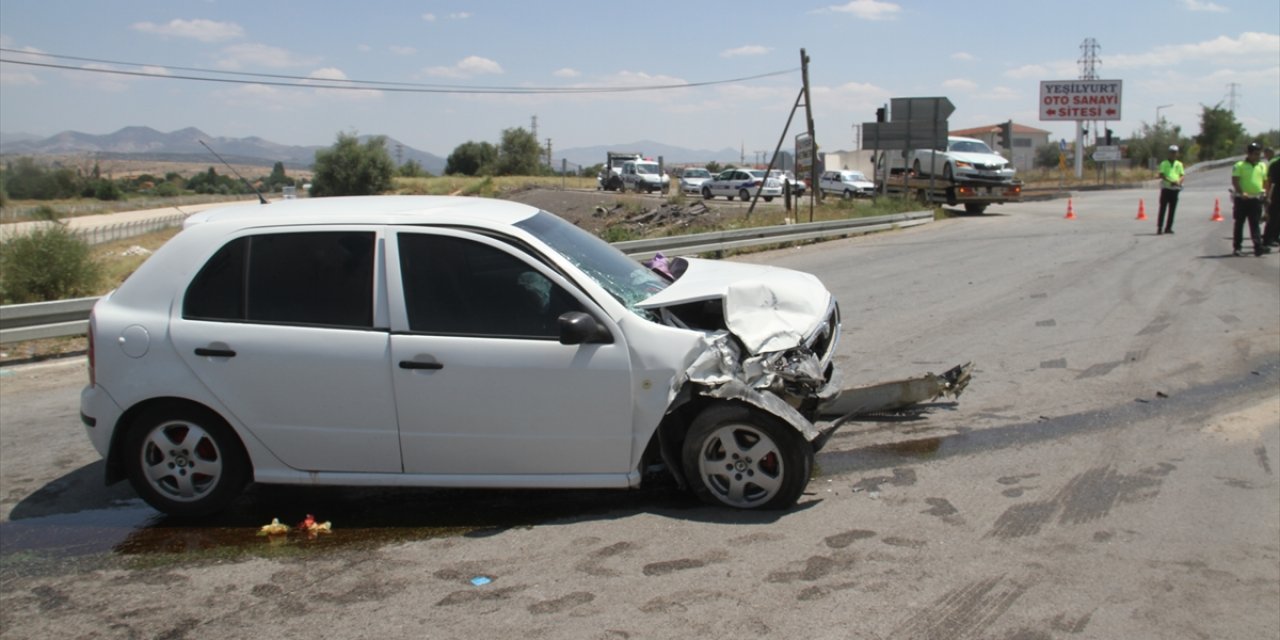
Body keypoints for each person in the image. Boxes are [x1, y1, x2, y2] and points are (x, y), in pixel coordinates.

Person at [1230, 142, 1269, 257]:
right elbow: (1235, 180)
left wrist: (1265, 192)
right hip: (1242, 199)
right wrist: (1242, 192)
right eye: (1255, 154)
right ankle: (1237, 247)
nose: (1257, 156)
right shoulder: (1239, 165)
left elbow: (1265, 181)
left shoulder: (1261, 165)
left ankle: (1258, 247)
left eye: (1259, 154)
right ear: (1249, 153)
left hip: (1255, 199)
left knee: (1255, 224)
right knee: (1239, 223)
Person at [1155, 145, 1184, 234]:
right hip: (1166, 188)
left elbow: (1182, 174)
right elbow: (1162, 175)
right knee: (1163, 208)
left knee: (1172, 209)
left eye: (1175, 152)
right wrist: (1170, 181)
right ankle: (1160, 227)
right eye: (1172, 152)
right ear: (1169, 153)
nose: (1173, 154)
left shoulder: (1179, 164)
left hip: (1175, 189)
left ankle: (1168, 228)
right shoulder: (1164, 163)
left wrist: (1178, 181)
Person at [1265, 147, 1280, 248]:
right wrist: (1268, 196)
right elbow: (1270, 182)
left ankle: (1275, 237)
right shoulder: (1275, 165)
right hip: (1276, 195)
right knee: (1273, 217)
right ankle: (1268, 239)